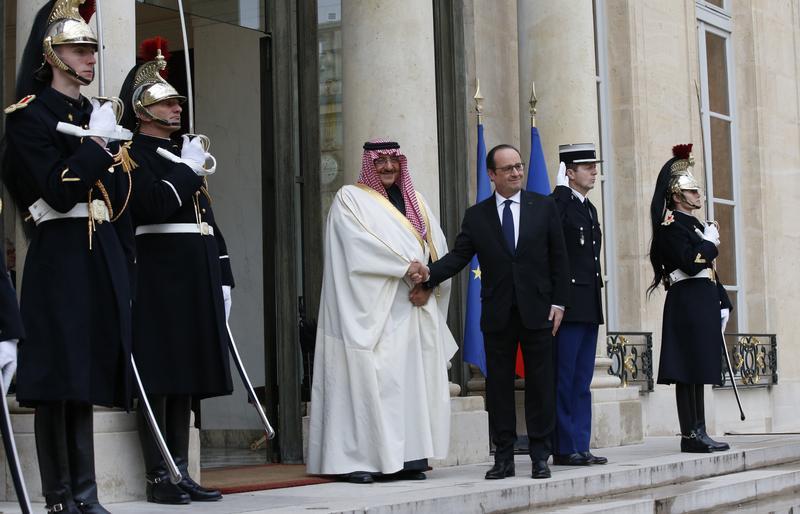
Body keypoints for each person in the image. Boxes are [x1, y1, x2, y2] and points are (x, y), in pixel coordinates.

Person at [1, 1, 135, 512]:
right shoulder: (30, 117)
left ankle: (86, 492)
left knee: (85, 376)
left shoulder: (90, 112)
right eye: (80, 49)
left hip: (98, 251)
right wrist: (97, 146)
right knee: (59, 378)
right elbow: (58, 193)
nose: (90, 57)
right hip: (58, 255)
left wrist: (103, 146)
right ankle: (61, 497)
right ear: (54, 55)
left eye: (93, 49)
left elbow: (119, 192)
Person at [117, 37, 232, 504]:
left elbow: (206, 218)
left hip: (195, 272)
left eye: (176, 102)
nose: (175, 108)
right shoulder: (133, 155)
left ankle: (180, 470)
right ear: (143, 111)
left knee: (186, 378)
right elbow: (156, 202)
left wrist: (223, 271)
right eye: (165, 102)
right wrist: (186, 170)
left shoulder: (184, 153)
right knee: (161, 376)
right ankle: (158, 476)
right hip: (160, 276)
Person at [413, 143, 569, 480]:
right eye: (508, 168)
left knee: (540, 384)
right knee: (498, 387)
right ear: (491, 175)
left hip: (539, 311)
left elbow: (560, 258)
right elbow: (458, 257)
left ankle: (541, 455)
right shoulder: (477, 215)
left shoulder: (543, 207)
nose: (516, 172)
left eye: (519, 166)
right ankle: (503, 457)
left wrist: (559, 303)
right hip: (498, 314)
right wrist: (428, 274)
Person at [307, 138, 457, 484]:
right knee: (370, 380)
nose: (388, 167)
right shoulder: (350, 199)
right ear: (368, 165)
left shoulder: (416, 201)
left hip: (411, 305)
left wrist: (428, 281)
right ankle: (356, 460)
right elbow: (358, 248)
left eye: (393, 160)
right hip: (370, 307)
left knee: (407, 385)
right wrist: (405, 268)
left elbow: (438, 246)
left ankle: (406, 458)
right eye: (380, 162)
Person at [647, 143, 732, 453]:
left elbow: (708, 271)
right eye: (692, 192)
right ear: (677, 196)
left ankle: (701, 429)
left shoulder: (696, 225)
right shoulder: (671, 228)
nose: (699, 196)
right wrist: (709, 244)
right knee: (688, 368)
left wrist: (723, 301)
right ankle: (690, 434)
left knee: (699, 367)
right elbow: (691, 262)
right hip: (686, 302)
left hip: (702, 300)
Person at [550, 143, 607, 466]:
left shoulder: (588, 208)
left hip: (588, 303)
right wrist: (559, 193)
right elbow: (550, 233)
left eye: (593, 165)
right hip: (568, 305)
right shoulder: (559, 203)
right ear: (569, 172)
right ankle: (564, 445)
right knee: (565, 377)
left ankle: (581, 444)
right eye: (586, 166)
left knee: (582, 379)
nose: (593, 171)